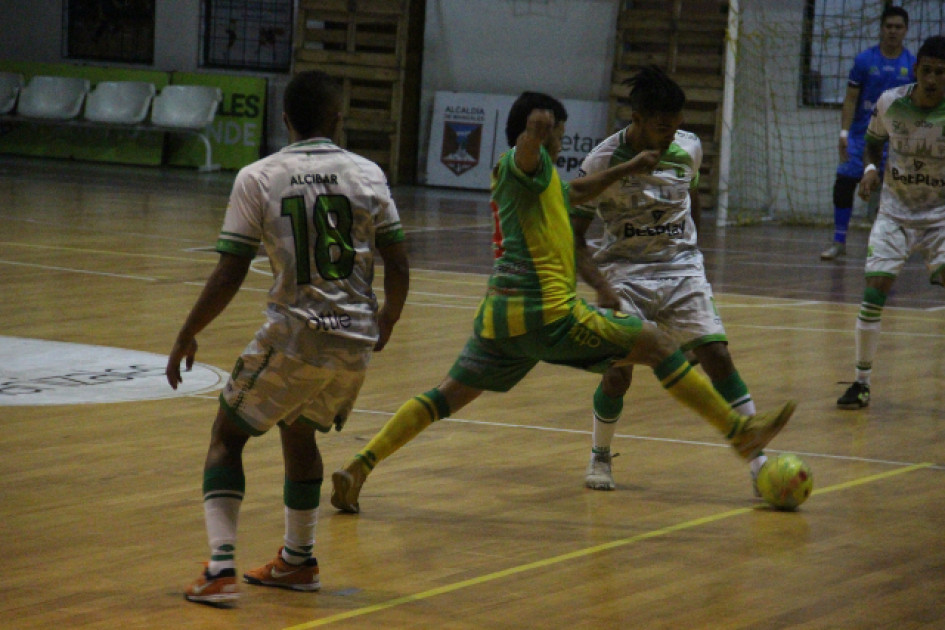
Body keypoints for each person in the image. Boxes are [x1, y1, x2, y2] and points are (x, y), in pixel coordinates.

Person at [329, 90, 796, 514]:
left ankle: (359, 466)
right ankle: (740, 433)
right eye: (557, 133)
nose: (561, 140)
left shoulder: (545, 180)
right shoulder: (521, 164)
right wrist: (534, 134)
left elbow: (578, 191)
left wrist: (628, 168)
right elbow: (526, 155)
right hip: (546, 313)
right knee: (657, 345)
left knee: (444, 396)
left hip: (499, 319)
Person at [166, 70, 410, 604]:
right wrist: (387, 320)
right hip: (355, 342)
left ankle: (220, 571)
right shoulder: (368, 173)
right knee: (299, 433)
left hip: (297, 334)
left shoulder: (259, 176)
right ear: (338, 119)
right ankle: (298, 562)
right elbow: (397, 261)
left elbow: (231, 270)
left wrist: (188, 331)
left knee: (226, 436)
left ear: (284, 120)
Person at [571, 66, 767, 493]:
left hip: (681, 267)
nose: (669, 132)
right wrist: (601, 287)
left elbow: (690, 199)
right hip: (623, 272)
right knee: (618, 372)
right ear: (637, 119)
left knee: (718, 355)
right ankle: (600, 455)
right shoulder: (603, 161)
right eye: (660, 124)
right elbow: (574, 235)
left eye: (675, 123)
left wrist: (694, 255)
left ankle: (759, 461)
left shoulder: (688, 148)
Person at [836, 35, 945, 409]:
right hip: (895, 213)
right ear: (916, 70)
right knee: (874, 293)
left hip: (940, 219)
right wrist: (869, 170)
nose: (932, 79)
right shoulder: (890, 102)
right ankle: (861, 383)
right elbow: (873, 142)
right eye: (927, 71)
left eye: (940, 73)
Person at [821, 5, 914, 261]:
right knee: (843, 184)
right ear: (881, 29)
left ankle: (888, 246)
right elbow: (851, 99)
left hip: (894, 142)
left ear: (906, 31)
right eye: (889, 26)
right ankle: (839, 241)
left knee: (893, 195)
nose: (893, 31)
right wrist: (844, 133)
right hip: (861, 138)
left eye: (898, 27)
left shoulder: (911, 65)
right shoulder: (864, 60)